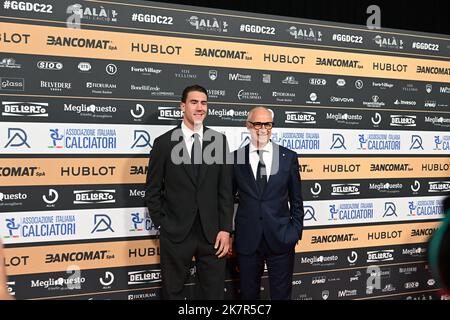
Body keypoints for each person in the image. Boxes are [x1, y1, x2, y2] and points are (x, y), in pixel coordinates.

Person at [145, 84, 233, 299]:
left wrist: (225, 229)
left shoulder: (219, 141)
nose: (199, 107)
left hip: (212, 235)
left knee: (213, 294)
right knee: (172, 292)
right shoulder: (163, 143)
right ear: (182, 106)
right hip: (175, 233)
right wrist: (162, 225)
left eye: (204, 103)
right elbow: (153, 189)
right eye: (194, 102)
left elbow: (226, 190)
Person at [232, 106, 304, 300]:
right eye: (257, 124)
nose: (262, 128)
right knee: (248, 296)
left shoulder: (288, 157)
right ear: (248, 125)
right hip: (248, 241)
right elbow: (227, 199)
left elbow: (297, 200)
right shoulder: (235, 158)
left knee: (282, 295)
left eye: (268, 124)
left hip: (281, 239)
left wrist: (295, 231)